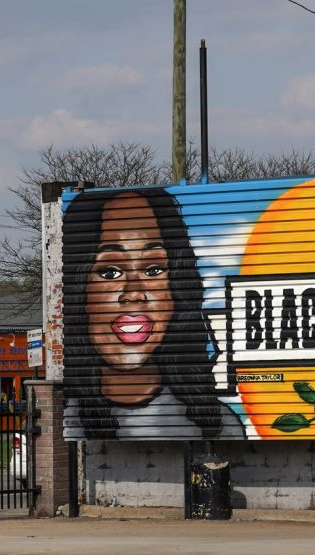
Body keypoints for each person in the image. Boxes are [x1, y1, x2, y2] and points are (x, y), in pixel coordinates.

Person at [62, 187, 244, 440]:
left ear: (177, 287)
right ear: (78, 289)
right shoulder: (66, 419)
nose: (134, 292)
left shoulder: (218, 425)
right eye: (110, 272)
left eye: (153, 269)